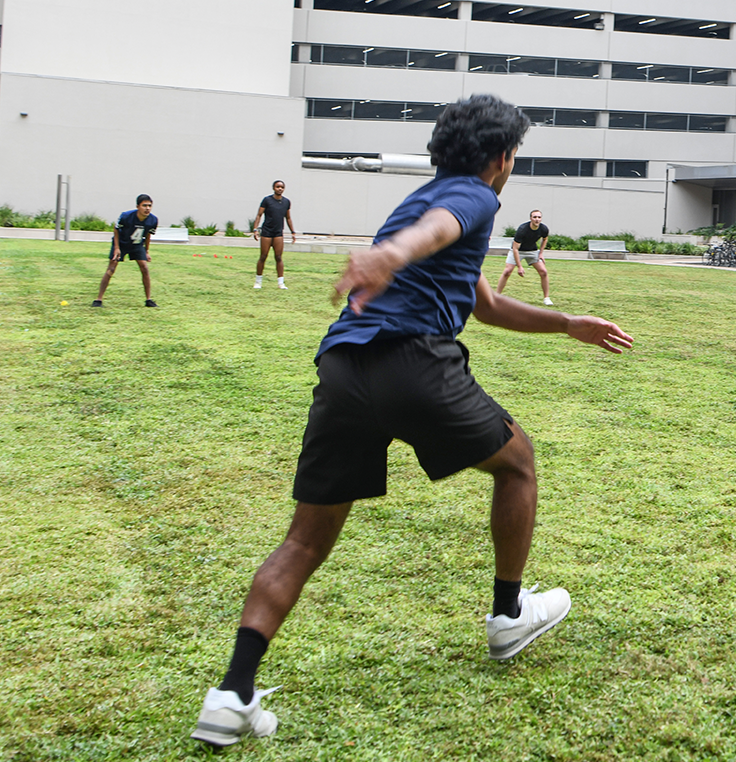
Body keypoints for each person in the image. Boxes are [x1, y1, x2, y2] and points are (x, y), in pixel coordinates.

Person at [190, 95, 633, 748]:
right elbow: (444, 229)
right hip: (412, 363)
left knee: (305, 541)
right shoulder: (474, 196)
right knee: (518, 463)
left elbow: (480, 301)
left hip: (344, 367)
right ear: (501, 158)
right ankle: (510, 614)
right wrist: (393, 256)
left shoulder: (418, 198)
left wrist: (568, 324)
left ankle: (232, 693)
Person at [93, 195, 159, 307]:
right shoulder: (126, 216)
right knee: (111, 268)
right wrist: (117, 248)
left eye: (149, 206)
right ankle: (98, 299)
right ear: (138, 206)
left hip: (137, 244)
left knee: (144, 268)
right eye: (144, 205)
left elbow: (148, 235)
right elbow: (116, 229)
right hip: (122, 243)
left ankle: (148, 299)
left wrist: (146, 251)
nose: (147, 208)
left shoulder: (153, 220)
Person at [497, 209, 552, 305]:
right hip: (518, 251)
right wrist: (519, 266)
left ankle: (546, 298)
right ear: (530, 218)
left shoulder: (543, 229)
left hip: (532, 251)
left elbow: (545, 239)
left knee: (543, 272)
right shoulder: (522, 229)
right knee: (507, 271)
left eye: (539, 217)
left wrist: (541, 253)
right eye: (534, 217)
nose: (537, 219)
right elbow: (515, 249)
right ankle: (496, 297)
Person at [251, 180, 297, 289]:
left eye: (282, 187)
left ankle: (281, 282)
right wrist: (255, 229)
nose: (280, 189)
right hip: (267, 232)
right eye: (277, 187)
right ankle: (258, 281)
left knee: (278, 257)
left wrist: (293, 232)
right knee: (263, 256)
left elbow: (288, 218)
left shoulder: (286, 202)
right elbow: (259, 215)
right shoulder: (267, 200)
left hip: (278, 233)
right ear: (274, 188)